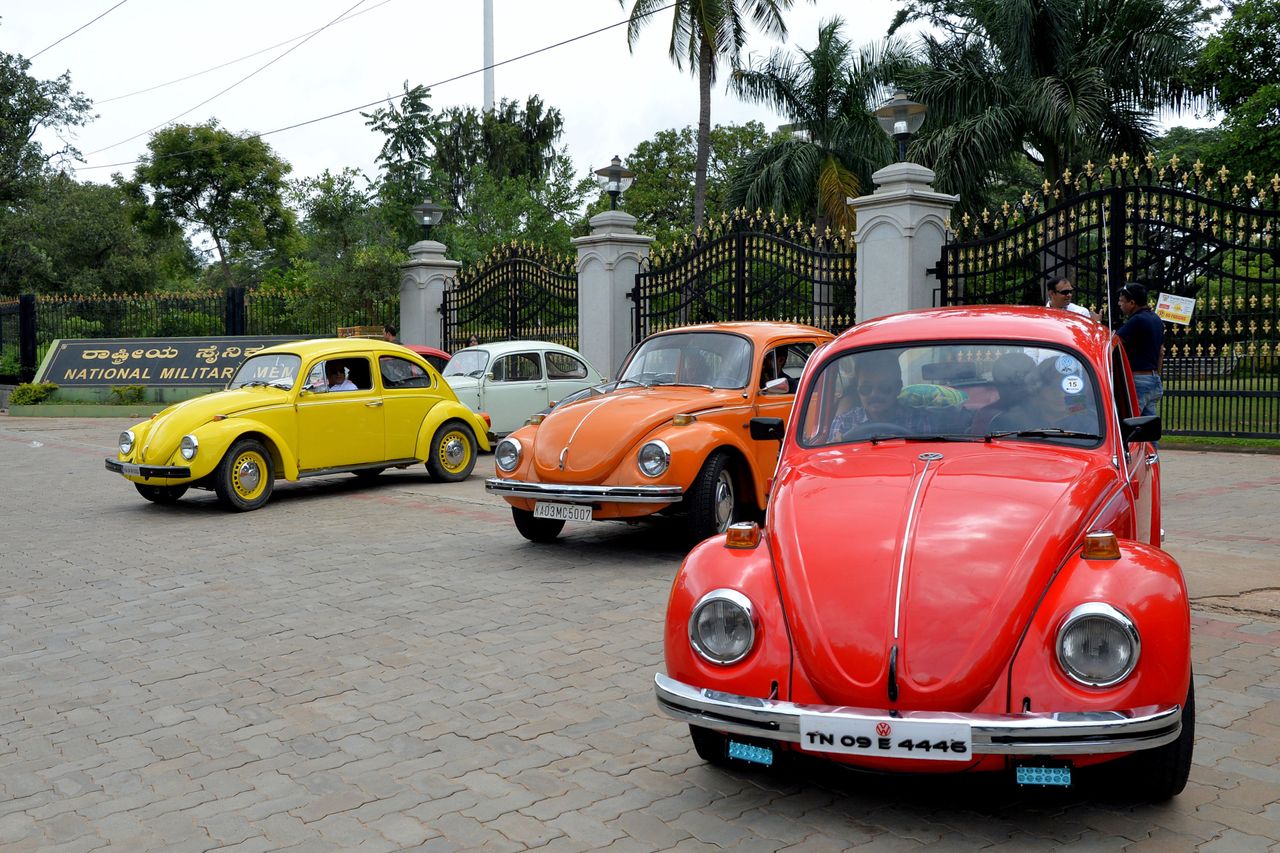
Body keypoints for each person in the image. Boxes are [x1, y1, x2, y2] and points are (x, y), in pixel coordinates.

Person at [827, 351, 933, 440]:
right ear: (858, 389)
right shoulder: (843, 423)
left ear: (898, 387)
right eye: (866, 388)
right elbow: (833, 460)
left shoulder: (918, 419)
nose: (874, 394)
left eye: (884, 387)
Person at [989, 357, 1098, 434]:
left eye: (1067, 388)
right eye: (1053, 387)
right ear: (1038, 389)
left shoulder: (1091, 422)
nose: (1060, 394)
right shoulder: (1008, 422)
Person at [1115, 281, 1164, 418]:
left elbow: (1114, 343)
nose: (1119, 304)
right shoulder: (1156, 319)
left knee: (1129, 424)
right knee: (1148, 430)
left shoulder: (1136, 320)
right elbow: (1161, 352)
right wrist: (1156, 374)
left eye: (1121, 301)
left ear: (1132, 303)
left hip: (1139, 380)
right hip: (1153, 379)